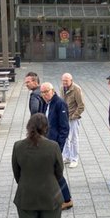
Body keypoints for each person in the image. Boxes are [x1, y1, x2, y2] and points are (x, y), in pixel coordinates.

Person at [11, 113, 65, 218]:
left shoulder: (18, 146)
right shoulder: (53, 146)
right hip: (50, 197)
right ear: (46, 128)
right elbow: (59, 172)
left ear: (28, 126)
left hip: (26, 197)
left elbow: (17, 173)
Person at [40, 81, 74, 210]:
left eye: (46, 92)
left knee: (56, 172)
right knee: (49, 171)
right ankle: (54, 197)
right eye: (42, 92)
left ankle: (67, 199)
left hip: (54, 145)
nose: (44, 94)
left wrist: (59, 147)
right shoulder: (46, 103)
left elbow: (64, 128)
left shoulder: (59, 103)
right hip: (46, 143)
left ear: (53, 91)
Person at [60, 72, 85, 168]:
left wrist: (73, 116)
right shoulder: (62, 88)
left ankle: (74, 159)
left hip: (73, 118)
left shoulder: (77, 89)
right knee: (65, 138)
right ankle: (66, 156)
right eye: (63, 81)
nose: (64, 83)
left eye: (66, 81)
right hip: (64, 117)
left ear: (71, 80)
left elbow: (81, 106)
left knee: (74, 139)